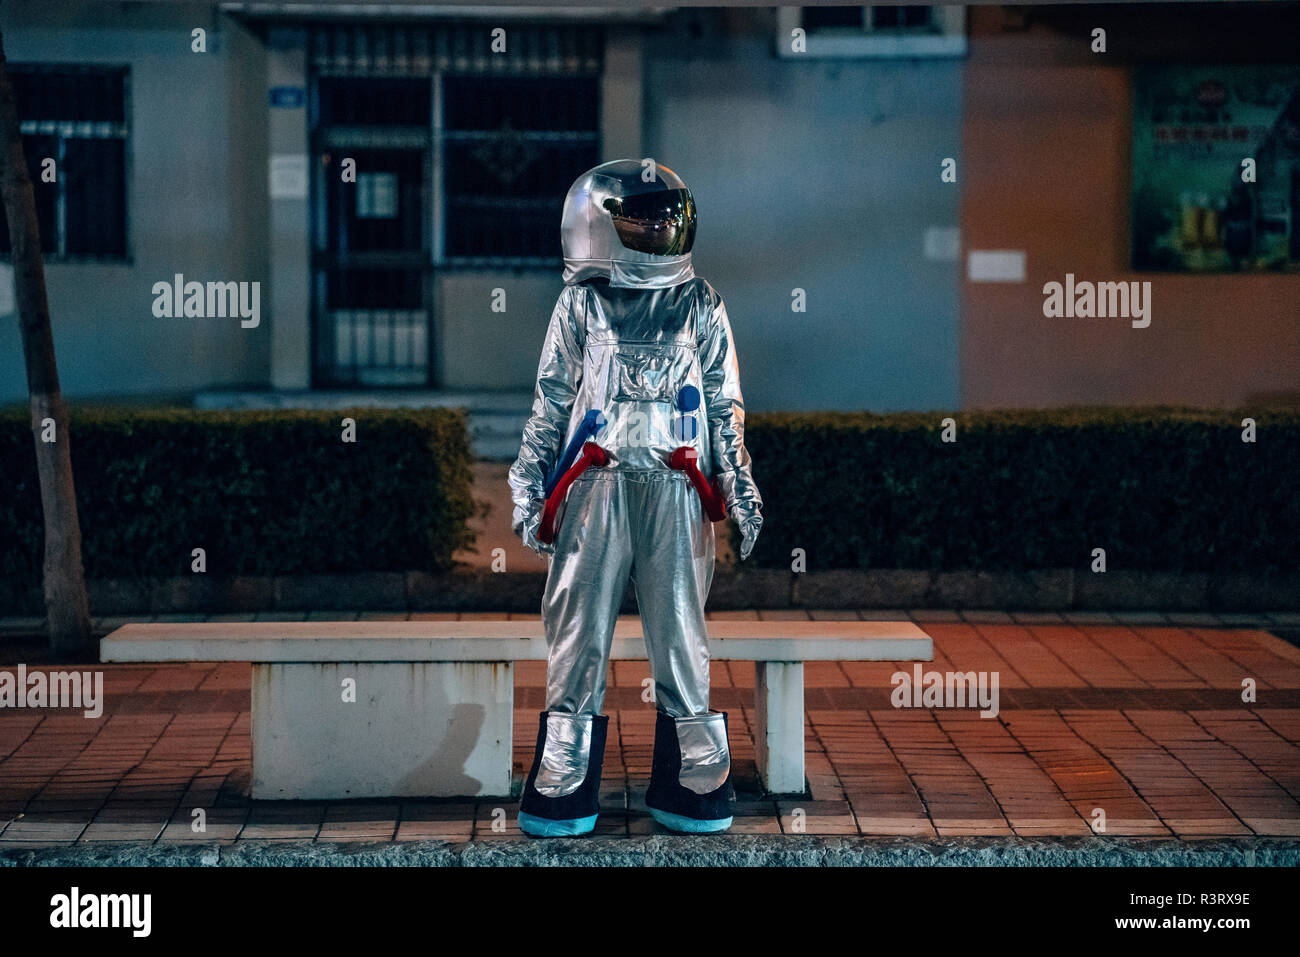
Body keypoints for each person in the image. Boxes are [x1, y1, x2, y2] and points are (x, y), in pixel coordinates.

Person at [508, 158, 763, 836]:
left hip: (678, 483)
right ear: (597, 226)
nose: (657, 229)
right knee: (578, 630)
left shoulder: (701, 301)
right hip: (594, 481)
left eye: (665, 217)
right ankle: (564, 774)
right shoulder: (581, 302)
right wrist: (529, 487)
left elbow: (723, 403)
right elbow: (552, 401)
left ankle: (693, 776)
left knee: (681, 633)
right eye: (640, 220)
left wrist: (738, 483)